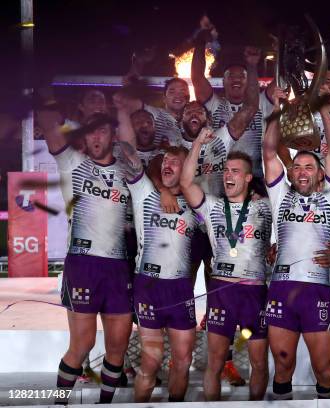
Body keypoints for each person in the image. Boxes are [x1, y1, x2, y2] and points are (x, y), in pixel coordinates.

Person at [39, 109, 133, 404]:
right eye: (91, 131)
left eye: (102, 131)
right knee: (83, 344)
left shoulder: (127, 172)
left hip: (119, 265)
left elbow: (131, 143)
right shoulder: (73, 163)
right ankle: (60, 402)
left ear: (113, 136)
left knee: (117, 346)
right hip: (83, 264)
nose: (95, 136)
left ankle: (104, 403)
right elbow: (48, 126)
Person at [262, 90, 330, 400]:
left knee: (324, 370)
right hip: (281, 289)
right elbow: (270, 151)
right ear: (291, 173)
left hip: (316, 291)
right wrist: (277, 107)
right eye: (297, 167)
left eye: (310, 167)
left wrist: (322, 110)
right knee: (283, 366)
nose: (303, 171)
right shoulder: (281, 194)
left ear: (319, 172)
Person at [181, 139, 272, 400]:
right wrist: (198, 143)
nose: (227, 175)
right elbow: (186, 183)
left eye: (234, 171)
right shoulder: (213, 207)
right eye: (225, 170)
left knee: (260, 364)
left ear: (247, 178)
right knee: (215, 362)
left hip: (255, 293)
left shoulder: (264, 207)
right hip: (221, 291)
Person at [119, 129, 198, 401]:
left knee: (184, 360)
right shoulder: (144, 193)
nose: (167, 163)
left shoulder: (198, 202)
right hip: (148, 287)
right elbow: (127, 154)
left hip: (180, 290)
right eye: (165, 160)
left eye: (175, 161)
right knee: (150, 362)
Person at [191, 16, 275, 179]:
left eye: (242, 76)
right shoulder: (214, 104)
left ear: (249, 80)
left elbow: (282, 80)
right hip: (218, 175)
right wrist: (200, 42)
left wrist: (279, 51)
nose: (236, 79)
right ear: (223, 81)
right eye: (231, 76)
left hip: (255, 177)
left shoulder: (262, 102)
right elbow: (197, 78)